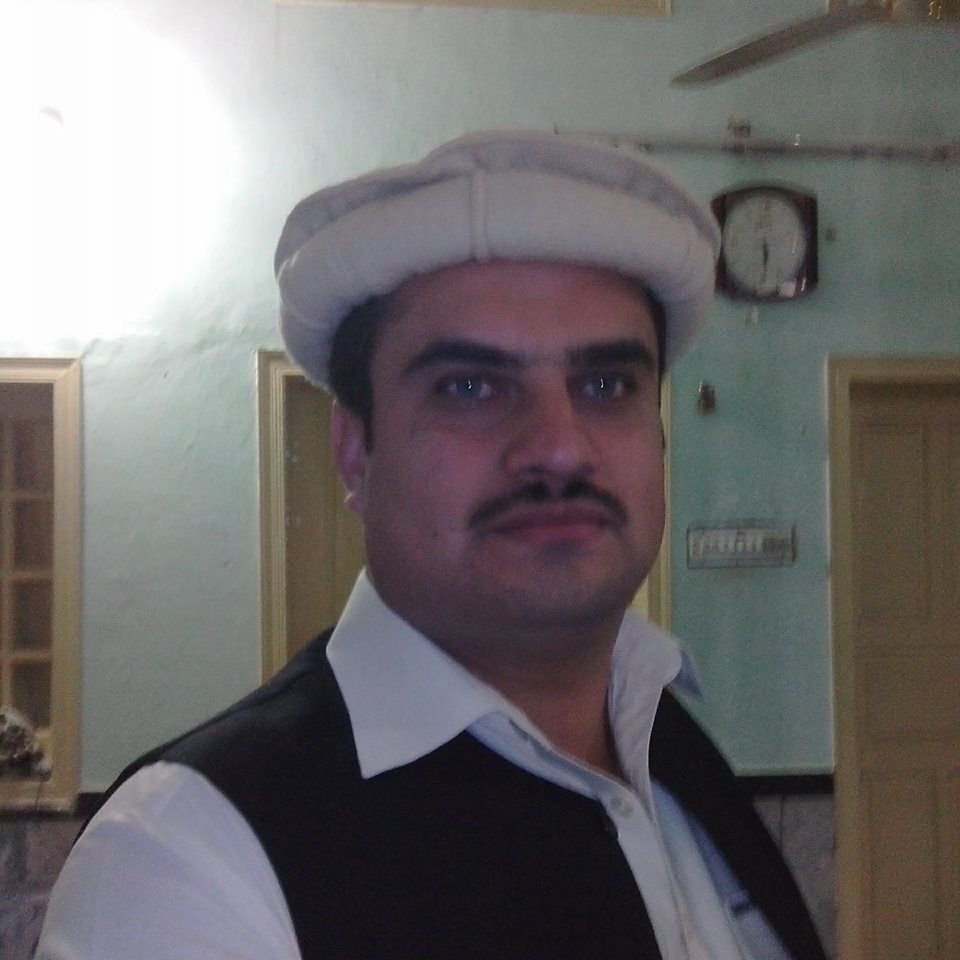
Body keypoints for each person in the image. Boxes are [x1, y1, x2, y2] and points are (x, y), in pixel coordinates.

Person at [37, 131, 827, 960]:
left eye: (606, 385)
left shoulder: (670, 750)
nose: (561, 449)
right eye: (471, 388)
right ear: (356, 455)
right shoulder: (188, 857)